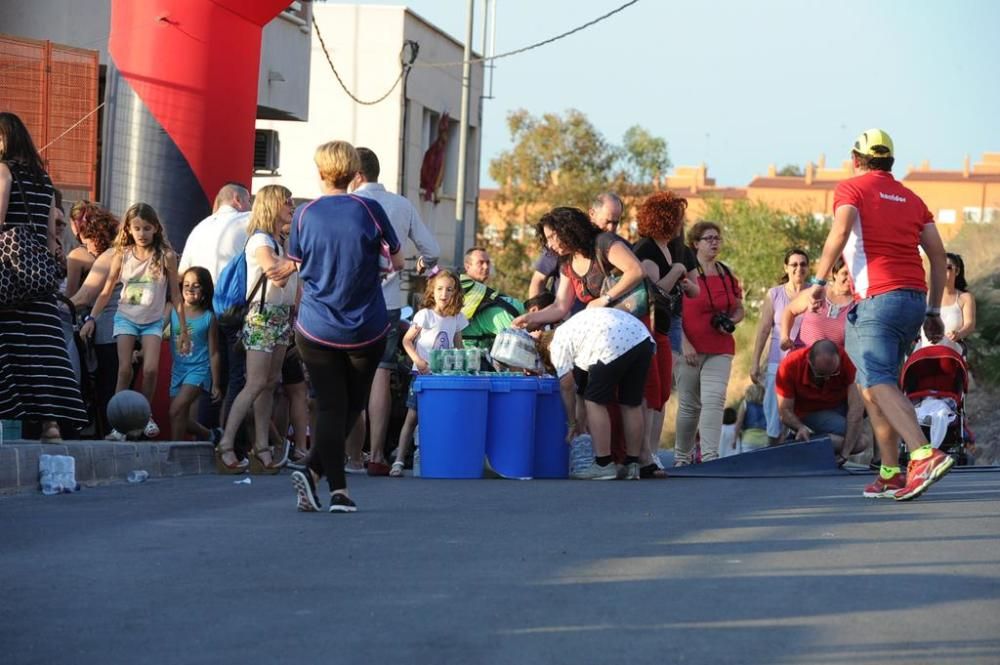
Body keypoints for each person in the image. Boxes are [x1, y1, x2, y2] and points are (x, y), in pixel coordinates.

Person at [809, 128, 952, 501]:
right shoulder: (912, 198)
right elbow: (938, 256)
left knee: (879, 381)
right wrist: (934, 309)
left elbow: (840, 231)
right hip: (913, 299)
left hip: (877, 300)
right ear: (890, 161)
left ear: (856, 159)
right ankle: (890, 473)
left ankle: (923, 454)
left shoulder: (851, 189)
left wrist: (818, 280)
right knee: (872, 387)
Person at [285, 141, 403, 513]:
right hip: (365, 325)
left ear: (320, 173)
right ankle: (337, 490)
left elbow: (297, 263)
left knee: (335, 407)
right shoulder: (370, 208)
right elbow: (398, 258)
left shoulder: (304, 214)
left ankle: (317, 473)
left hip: (317, 326)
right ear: (356, 174)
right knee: (350, 405)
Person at [344, 146, 440, 476]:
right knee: (381, 374)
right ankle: (377, 454)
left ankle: (351, 454)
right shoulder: (401, 205)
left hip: (349, 303)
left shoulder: (347, 204)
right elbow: (433, 249)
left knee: (347, 374)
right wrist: (425, 263)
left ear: (356, 175)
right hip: (388, 304)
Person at [0, 111, 88, 441]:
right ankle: (51, 425)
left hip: (8, 274)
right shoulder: (43, 179)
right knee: (45, 348)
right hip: (38, 276)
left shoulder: (3, 171)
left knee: (12, 346)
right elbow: (52, 237)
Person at [80, 202, 187, 440]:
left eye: (147, 228)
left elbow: (176, 295)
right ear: (128, 229)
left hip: (152, 321)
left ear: (156, 229)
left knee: (150, 370)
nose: (142, 234)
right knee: (124, 369)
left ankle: (144, 415)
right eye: (137, 228)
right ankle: (117, 424)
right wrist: (91, 318)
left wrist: (183, 331)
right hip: (126, 317)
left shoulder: (166, 256)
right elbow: (107, 290)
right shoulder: (122, 255)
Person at [215, 185, 298, 475]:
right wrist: (300, 261)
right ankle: (226, 444)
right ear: (273, 205)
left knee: (270, 383)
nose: (291, 206)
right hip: (262, 316)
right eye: (286, 202)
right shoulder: (261, 240)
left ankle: (261, 446)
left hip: (279, 316)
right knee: (255, 383)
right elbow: (277, 275)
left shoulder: (280, 241)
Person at [533, 307, 655, 480]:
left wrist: (572, 423)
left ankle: (603, 464)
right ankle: (632, 464)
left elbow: (567, 385)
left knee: (595, 402)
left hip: (610, 341)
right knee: (630, 402)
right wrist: (580, 421)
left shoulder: (557, 342)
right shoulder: (577, 334)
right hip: (642, 338)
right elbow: (580, 391)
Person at [632, 191, 699, 478]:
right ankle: (643, 453)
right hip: (648, 324)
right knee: (651, 390)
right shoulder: (646, 249)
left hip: (667, 322)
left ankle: (653, 452)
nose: (682, 223)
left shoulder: (677, 249)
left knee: (661, 392)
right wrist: (677, 271)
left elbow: (693, 288)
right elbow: (655, 288)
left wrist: (683, 277)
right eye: (678, 217)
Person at [178, 182, 251, 428]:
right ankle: (229, 437)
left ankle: (207, 432)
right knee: (235, 376)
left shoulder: (199, 228)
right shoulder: (247, 221)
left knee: (208, 374)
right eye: (248, 200)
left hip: (200, 310)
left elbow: (182, 272)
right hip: (233, 309)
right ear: (237, 199)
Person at [674, 221, 745, 465]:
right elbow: (674, 313)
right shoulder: (683, 273)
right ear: (695, 244)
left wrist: (732, 320)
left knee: (714, 400)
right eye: (708, 238)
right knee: (689, 406)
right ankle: (682, 457)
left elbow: (739, 308)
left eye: (717, 238)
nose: (714, 242)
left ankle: (710, 456)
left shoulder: (726, 274)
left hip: (720, 347)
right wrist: (684, 344)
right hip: (689, 348)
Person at [392, 270, 468, 477]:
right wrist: (418, 360)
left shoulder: (457, 318)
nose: (444, 294)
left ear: (456, 293)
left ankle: (435, 455)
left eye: (449, 289)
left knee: (440, 418)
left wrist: (462, 365)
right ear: (432, 291)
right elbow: (407, 340)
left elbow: (458, 345)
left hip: (444, 378)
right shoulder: (425, 315)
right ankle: (399, 459)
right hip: (422, 376)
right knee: (412, 417)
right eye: (440, 289)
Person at [69, 208, 122, 436]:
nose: (84, 244)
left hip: (108, 333)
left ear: (96, 235)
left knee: (106, 389)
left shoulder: (109, 256)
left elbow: (83, 297)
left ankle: (109, 433)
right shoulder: (125, 255)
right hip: (129, 334)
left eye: (85, 238)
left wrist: (53, 308)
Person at [749, 249, 810, 444]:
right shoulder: (775, 294)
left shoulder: (815, 294)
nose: (798, 268)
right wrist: (755, 362)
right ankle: (773, 450)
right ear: (786, 267)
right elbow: (764, 329)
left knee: (802, 410)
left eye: (803, 264)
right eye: (794, 264)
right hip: (778, 361)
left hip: (806, 363)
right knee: (774, 411)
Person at [775, 340, 867, 465]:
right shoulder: (790, 365)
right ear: (809, 361)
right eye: (821, 374)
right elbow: (784, 410)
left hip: (839, 405)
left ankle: (811, 442)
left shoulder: (846, 359)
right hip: (810, 411)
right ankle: (804, 442)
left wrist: (844, 454)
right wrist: (799, 427)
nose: (828, 378)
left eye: (834, 373)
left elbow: (856, 409)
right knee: (860, 441)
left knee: (861, 438)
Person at [526, 192, 623, 303]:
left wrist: (605, 299)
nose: (611, 228)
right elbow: (539, 280)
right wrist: (535, 310)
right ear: (592, 213)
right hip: (569, 317)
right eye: (607, 221)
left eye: (615, 223)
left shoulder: (612, 244)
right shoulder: (558, 246)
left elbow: (636, 270)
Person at [168, 267, 222, 442]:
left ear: (205, 289)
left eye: (196, 285)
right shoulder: (172, 310)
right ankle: (208, 435)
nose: (190, 289)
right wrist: (142, 350)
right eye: (186, 285)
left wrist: (216, 383)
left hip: (199, 370)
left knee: (175, 411)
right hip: (178, 370)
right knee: (179, 416)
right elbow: (155, 331)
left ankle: (174, 451)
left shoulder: (208, 317)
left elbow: (214, 353)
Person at [459, 247, 524, 354]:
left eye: (488, 263)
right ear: (467, 266)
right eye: (480, 263)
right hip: (464, 351)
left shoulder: (484, 291)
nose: (486, 267)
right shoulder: (459, 287)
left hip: (481, 352)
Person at [780, 258, 855, 350]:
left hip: (834, 361)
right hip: (805, 357)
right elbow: (789, 311)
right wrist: (785, 337)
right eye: (845, 273)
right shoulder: (817, 292)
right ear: (835, 274)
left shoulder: (857, 304)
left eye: (853, 274)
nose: (849, 278)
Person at [918, 252, 975, 354]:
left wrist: (959, 334)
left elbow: (969, 324)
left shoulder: (965, 298)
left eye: (948, 268)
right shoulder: (924, 296)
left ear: (957, 271)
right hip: (925, 356)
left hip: (953, 356)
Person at [732, 383, 769, 453]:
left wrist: (734, 439)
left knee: (747, 463)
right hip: (764, 440)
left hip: (748, 441)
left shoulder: (745, 404)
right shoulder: (766, 405)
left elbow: (739, 422)